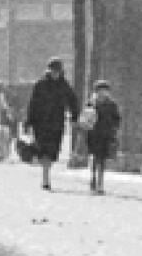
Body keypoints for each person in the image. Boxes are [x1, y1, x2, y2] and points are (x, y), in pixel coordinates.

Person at [24, 58, 81, 192]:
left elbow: (73, 101)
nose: (55, 74)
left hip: (57, 123)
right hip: (41, 123)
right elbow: (33, 104)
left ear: (61, 72)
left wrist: (74, 117)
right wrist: (29, 121)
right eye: (53, 71)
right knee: (44, 150)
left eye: (57, 71)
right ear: (48, 71)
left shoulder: (64, 86)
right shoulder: (40, 85)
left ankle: (46, 172)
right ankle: (45, 178)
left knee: (53, 151)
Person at [85, 80, 122, 195]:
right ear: (96, 91)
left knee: (102, 159)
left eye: (105, 90)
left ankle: (100, 183)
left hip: (106, 134)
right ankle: (93, 178)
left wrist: (114, 129)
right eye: (100, 90)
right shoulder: (91, 103)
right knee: (95, 158)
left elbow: (117, 118)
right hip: (93, 134)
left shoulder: (112, 105)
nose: (103, 93)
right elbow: (85, 118)